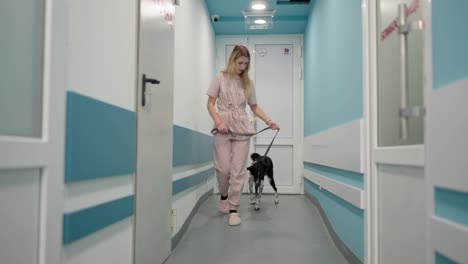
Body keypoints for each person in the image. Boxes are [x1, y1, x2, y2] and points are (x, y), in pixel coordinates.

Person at [206, 45, 280, 226]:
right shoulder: (219, 77)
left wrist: (268, 121)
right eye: (240, 63)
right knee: (223, 169)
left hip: (241, 127)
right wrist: (219, 122)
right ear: (232, 60)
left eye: (246, 64)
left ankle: (233, 209)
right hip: (222, 126)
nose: (243, 67)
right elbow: (210, 103)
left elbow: (254, 107)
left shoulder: (248, 82)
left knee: (238, 171)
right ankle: (224, 195)